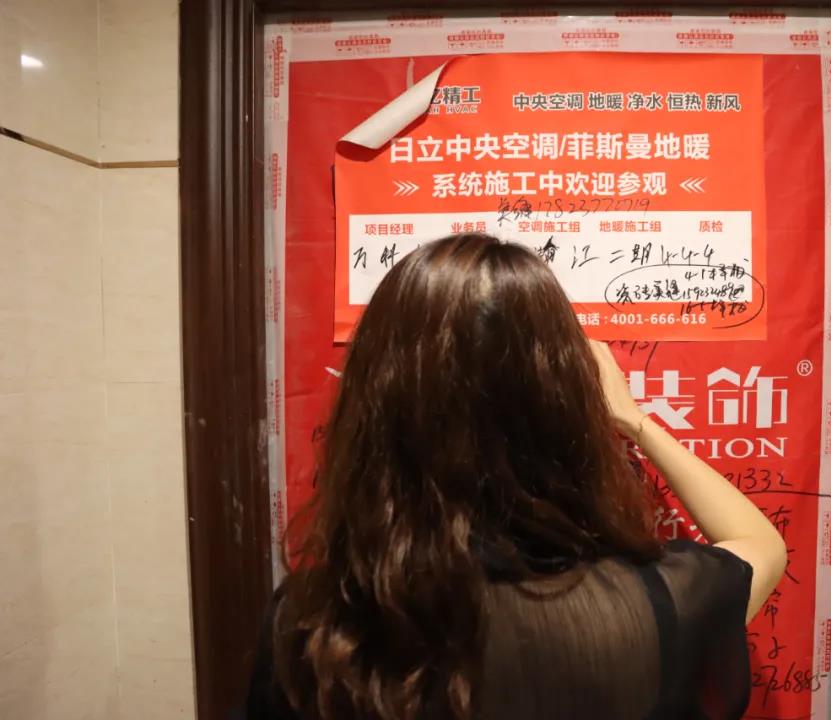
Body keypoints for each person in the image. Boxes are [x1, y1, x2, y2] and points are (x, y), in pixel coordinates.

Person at [246, 233, 787, 719]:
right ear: (567, 408)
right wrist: (634, 420)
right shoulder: (664, 603)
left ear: (374, 409)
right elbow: (760, 544)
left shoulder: (317, 623)